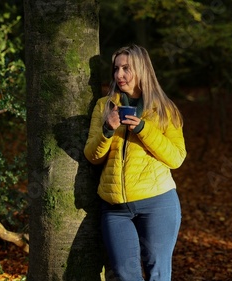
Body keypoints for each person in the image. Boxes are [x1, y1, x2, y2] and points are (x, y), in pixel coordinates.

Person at [84, 44, 186, 281]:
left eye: (126, 68)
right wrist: (108, 130)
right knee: (124, 275)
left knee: (158, 274)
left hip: (158, 204)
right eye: (116, 68)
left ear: (142, 70)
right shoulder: (104, 106)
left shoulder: (163, 109)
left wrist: (142, 128)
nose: (119, 75)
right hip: (115, 207)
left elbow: (176, 157)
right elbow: (92, 155)